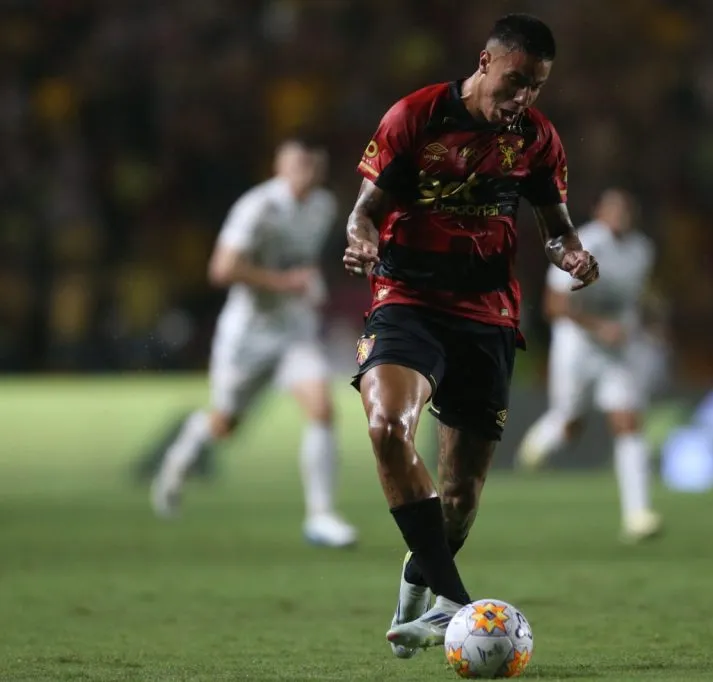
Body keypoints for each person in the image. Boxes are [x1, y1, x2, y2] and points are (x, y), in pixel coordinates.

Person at [343, 13, 599, 656]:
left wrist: (571, 254)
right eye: (516, 82)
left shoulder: (537, 138)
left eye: (536, 86)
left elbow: (556, 225)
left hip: (486, 315)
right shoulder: (417, 117)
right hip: (407, 300)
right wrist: (362, 239)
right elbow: (364, 212)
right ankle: (458, 601)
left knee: (459, 497)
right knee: (386, 427)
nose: (524, 99)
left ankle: (415, 597)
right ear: (485, 63)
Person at [150, 135, 357, 549]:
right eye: (300, 163)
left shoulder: (324, 206)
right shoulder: (256, 208)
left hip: (294, 331)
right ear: (279, 166)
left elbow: (300, 259)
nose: (308, 172)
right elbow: (221, 269)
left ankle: (321, 517)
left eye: (315, 164)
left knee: (321, 408)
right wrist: (285, 282)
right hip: (248, 335)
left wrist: (309, 280)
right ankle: (187, 445)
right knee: (226, 424)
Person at [515, 188, 663, 543]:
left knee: (627, 420)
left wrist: (649, 325)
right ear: (598, 211)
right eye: (613, 208)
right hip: (577, 346)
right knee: (570, 425)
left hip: (617, 351)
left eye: (625, 209)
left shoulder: (643, 250)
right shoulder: (579, 244)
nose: (620, 215)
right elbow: (553, 306)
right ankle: (540, 440)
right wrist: (599, 327)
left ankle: (638, 514)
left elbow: (635, 299)